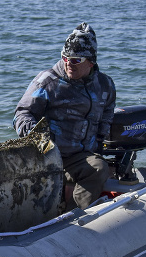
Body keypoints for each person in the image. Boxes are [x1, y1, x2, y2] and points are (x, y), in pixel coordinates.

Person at [14, 22, 116, 209]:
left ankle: (73, 213)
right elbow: (21, 114)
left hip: (85, 154)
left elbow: (108, 111)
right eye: (65, 57)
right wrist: (40, 140)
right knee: (98, 169)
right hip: (52, 155)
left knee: (101, 166)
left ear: (91, 62)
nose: (69, 63)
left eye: (76, 60)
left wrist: (102, 138)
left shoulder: (105, 85)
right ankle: (70, 219)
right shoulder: (47, 82)